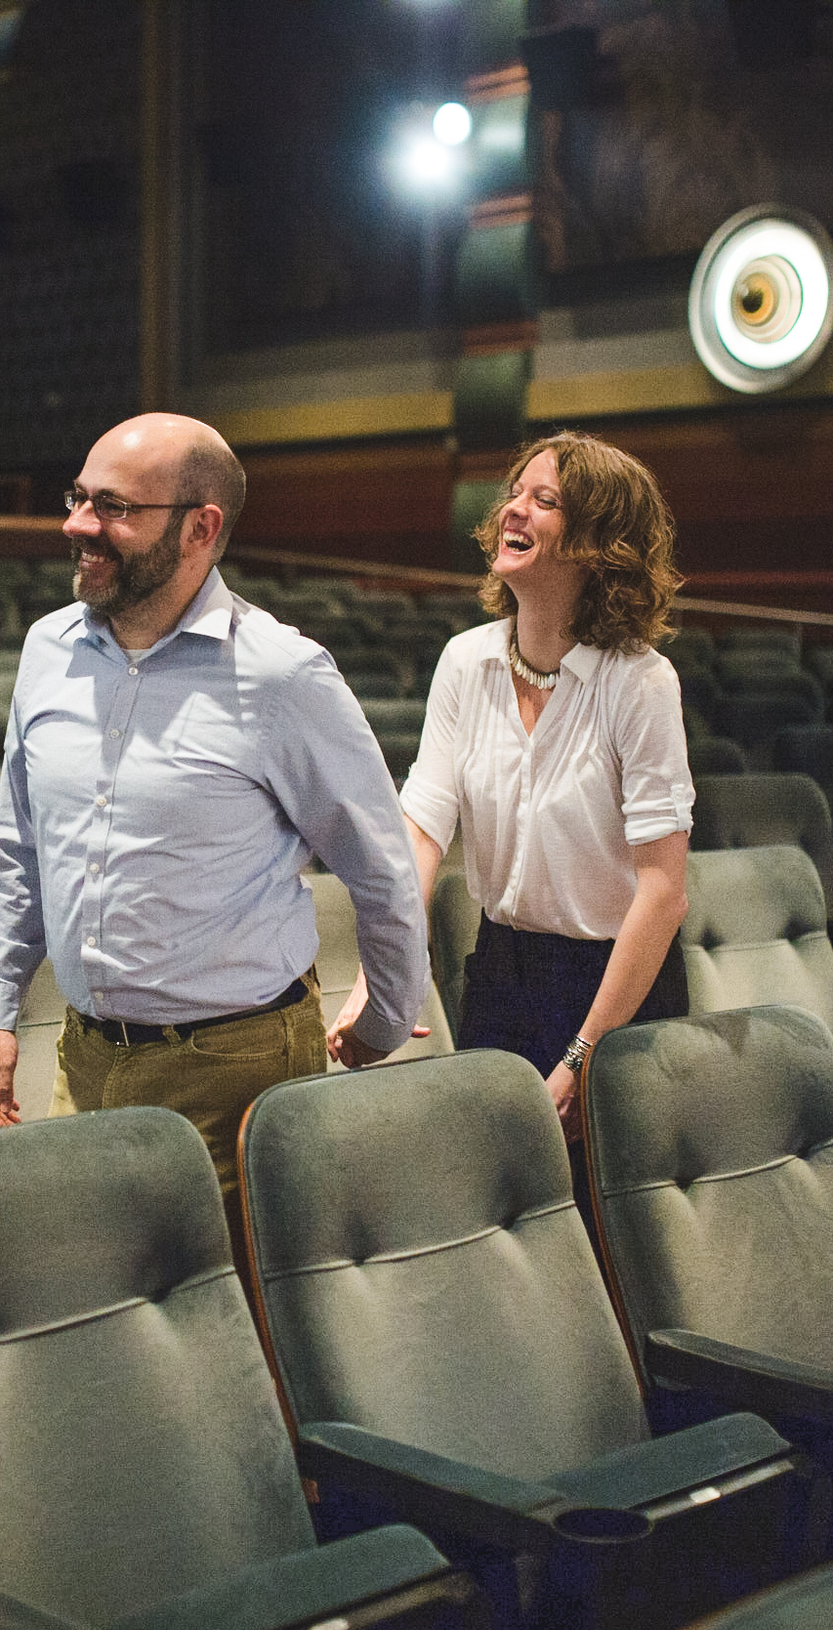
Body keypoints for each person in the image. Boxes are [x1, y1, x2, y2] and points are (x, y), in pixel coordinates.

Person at [0, 411, 428, 1204]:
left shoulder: (283, 675)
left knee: (228, 1312)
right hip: (81, 1056)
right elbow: (21, 849)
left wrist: (386, 1021)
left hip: (233, 1076)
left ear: (200, 527)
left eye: (113, 507)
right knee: (90, 1294)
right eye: (78, 497)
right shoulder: (47, 649)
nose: (79, 524)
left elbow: (380, 868)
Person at [329, 431, 691, 1134]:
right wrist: (383, 975)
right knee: (505, 1199)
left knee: (602, 1213)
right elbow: (423, 828)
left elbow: (664, 890)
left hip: (616, 988)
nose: (512, 511)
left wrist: (585, 1055)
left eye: (544, 500)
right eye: (514, 495)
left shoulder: (640, 682)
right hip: (500, 973)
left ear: (599, 542)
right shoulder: (466, 661)